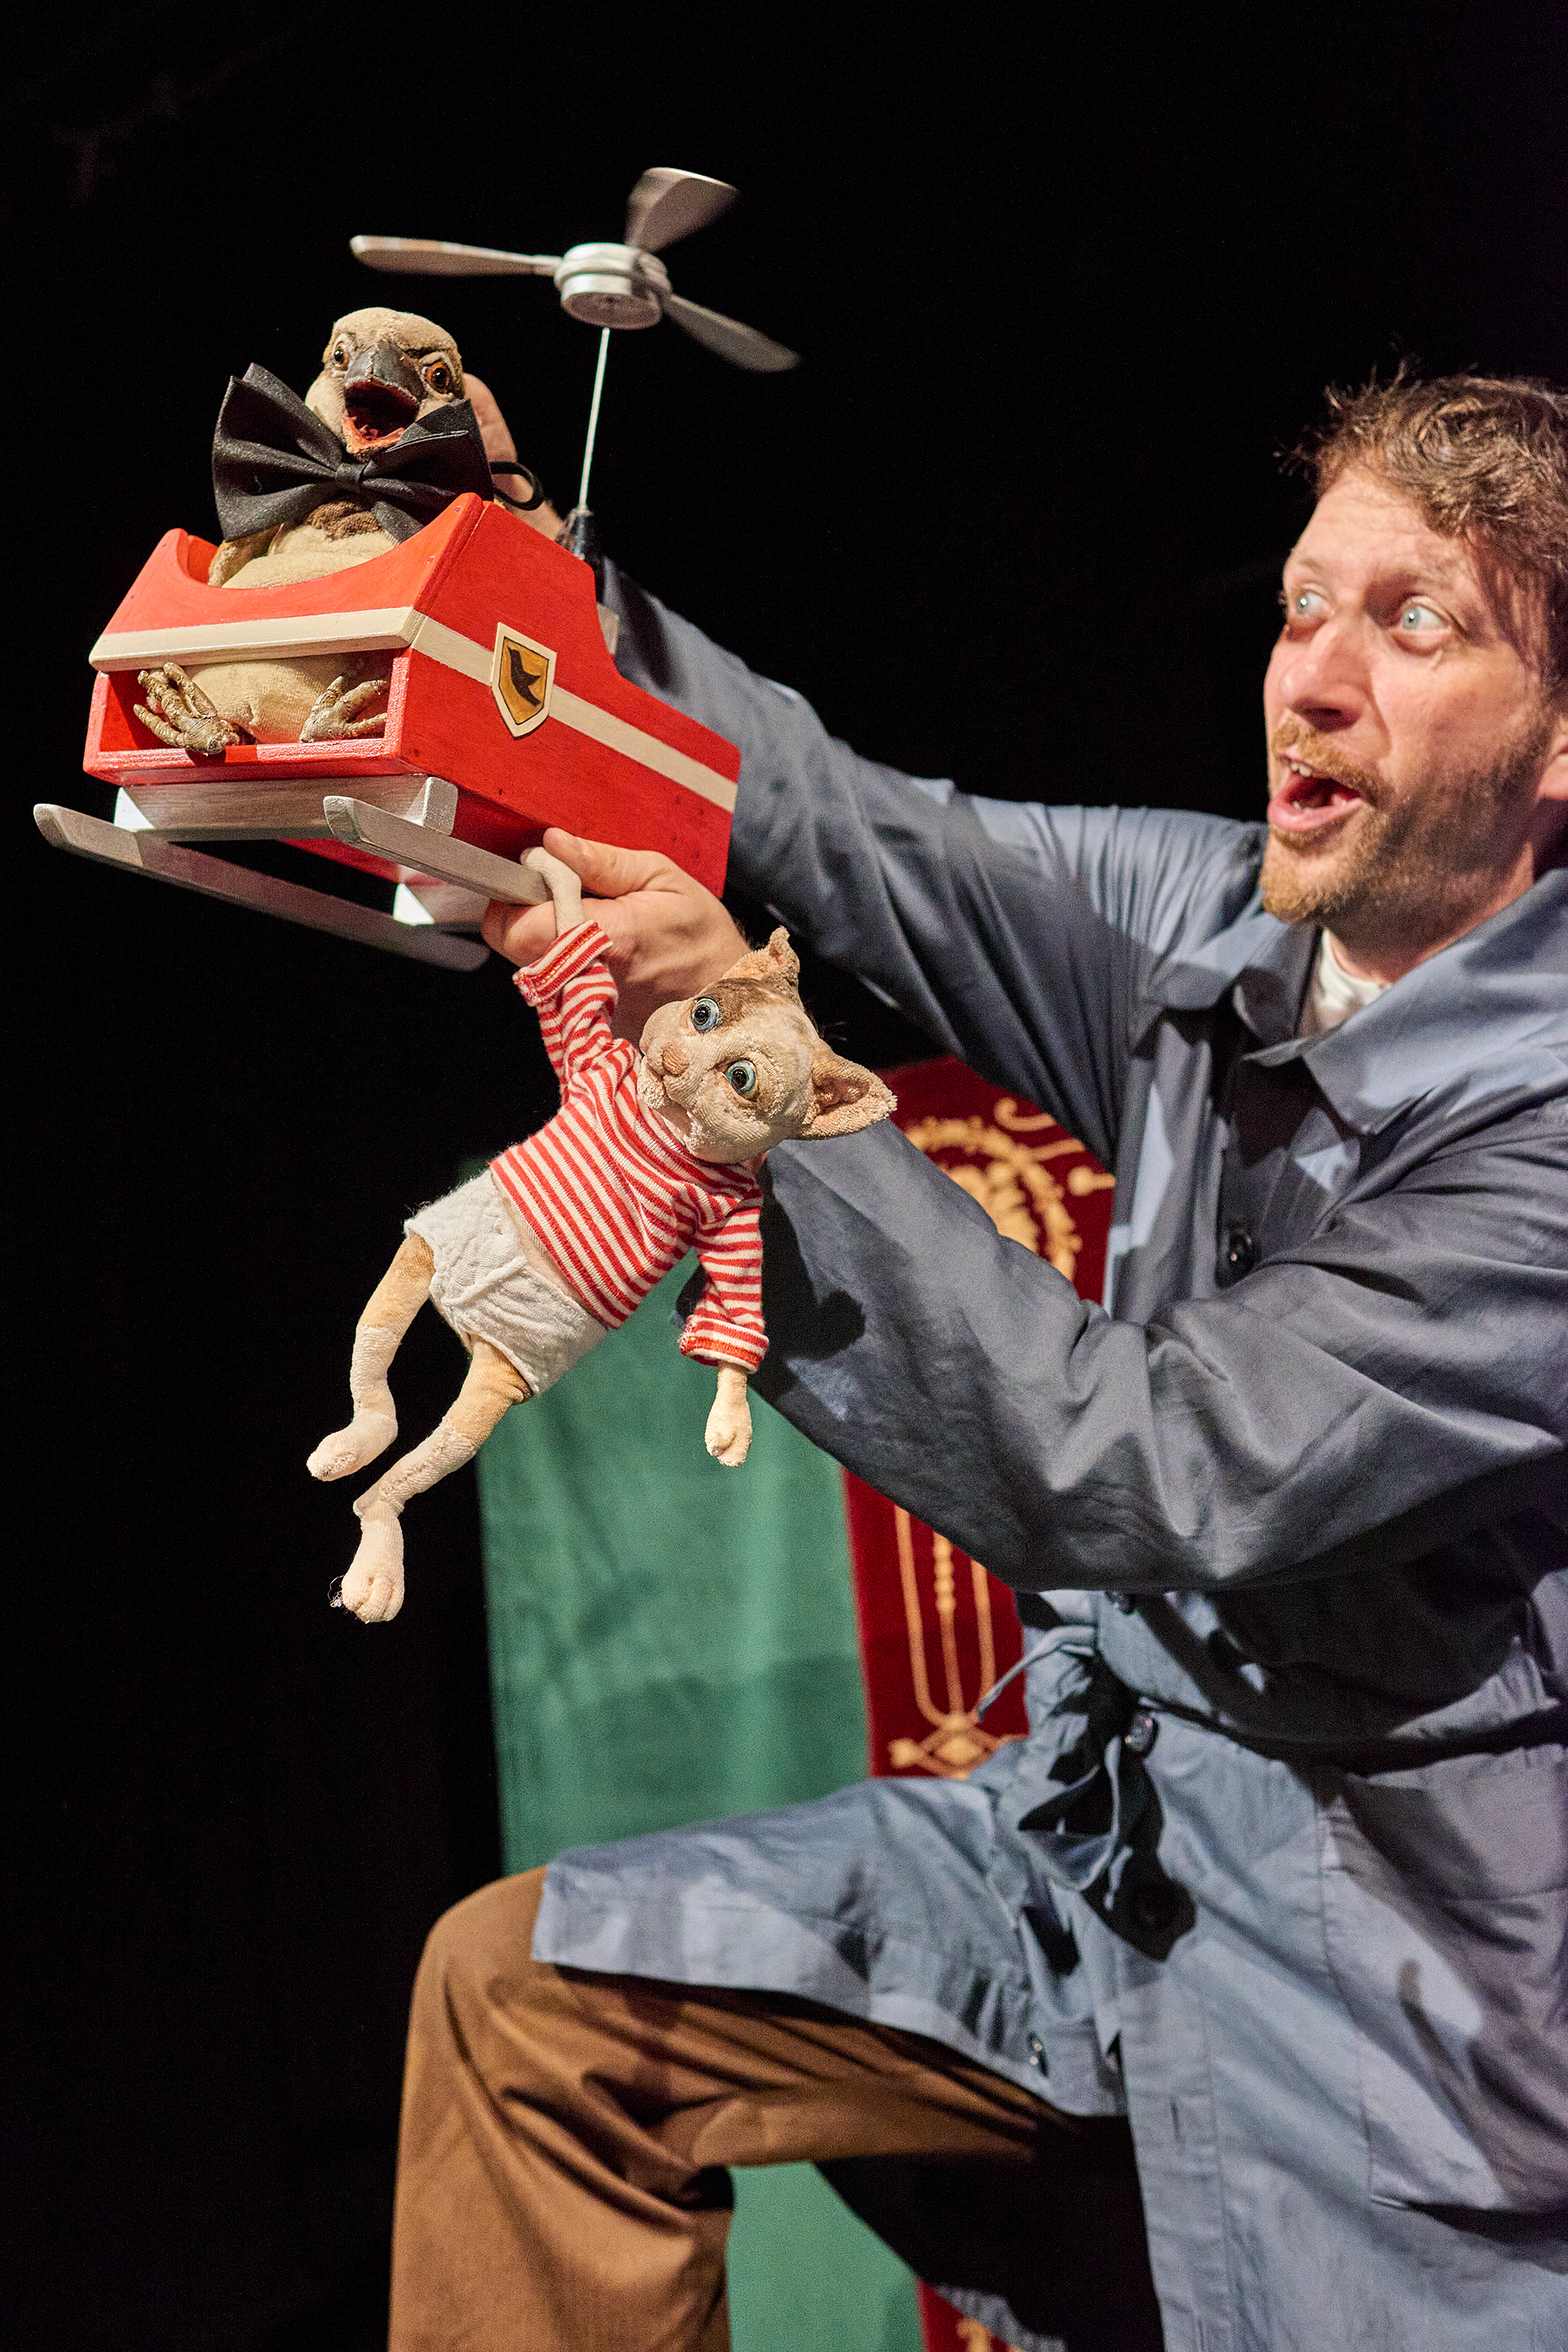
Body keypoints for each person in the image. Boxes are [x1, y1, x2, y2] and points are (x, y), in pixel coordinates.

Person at [388, 375, 1568, 2352]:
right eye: (1303, 606)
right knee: (531, 2000)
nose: (1314, 679)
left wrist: (760, 1078)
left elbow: (1151, 1464)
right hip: (1103, 1863)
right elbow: (839, 823)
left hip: (1403, 1981)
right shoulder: (1209, 925)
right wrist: (527, 593)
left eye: (1416, 623)